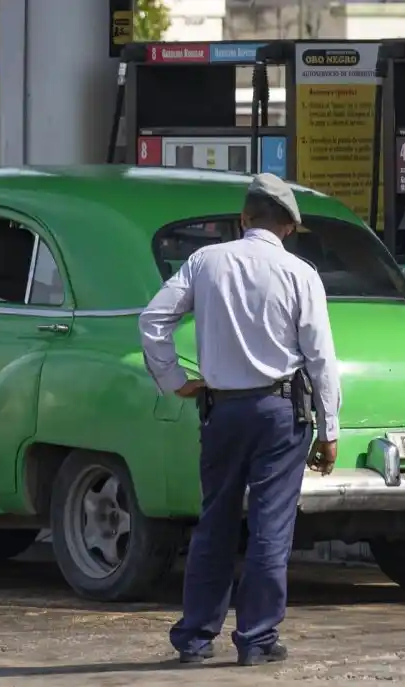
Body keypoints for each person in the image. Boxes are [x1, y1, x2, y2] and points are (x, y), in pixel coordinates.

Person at [138, 173, 341, 667]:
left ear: (244, 218)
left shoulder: (206, 261)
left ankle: (195, 638)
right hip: (279, 413)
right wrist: (330, 428)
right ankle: (256, 638)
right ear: (289, 228)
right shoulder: (301, 274)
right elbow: (320, 357)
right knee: (271, 526)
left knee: (216, 522)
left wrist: (174, 380)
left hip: (223, 410)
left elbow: (152, 321)